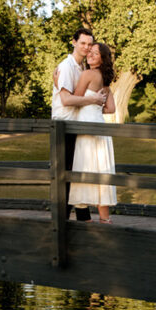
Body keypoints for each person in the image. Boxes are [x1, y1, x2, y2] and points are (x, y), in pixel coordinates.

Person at [52, 27, 106, 220]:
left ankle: (84, 219)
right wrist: (93, 100)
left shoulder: (83, 68)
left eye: (89, 44)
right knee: (66, 177)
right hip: (64, 126)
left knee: (76, 175)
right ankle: (61, 223)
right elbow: (66, 100)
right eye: (82, 43)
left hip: (77, 125)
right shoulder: (67, 67)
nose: (86, 47)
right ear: (74, 42)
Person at [68, 43, 117, 222]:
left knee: (84, 169)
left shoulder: (88, 74)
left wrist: (58, 82)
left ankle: (85, 221)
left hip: (86, 128)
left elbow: (75, 99)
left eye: (96, 53)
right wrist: (95, 107)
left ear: (102, 59)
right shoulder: (105, 80)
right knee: (100, 170)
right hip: (100, 128)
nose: (90, 55)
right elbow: (111, 108)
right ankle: (105, 220)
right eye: (90, 52)